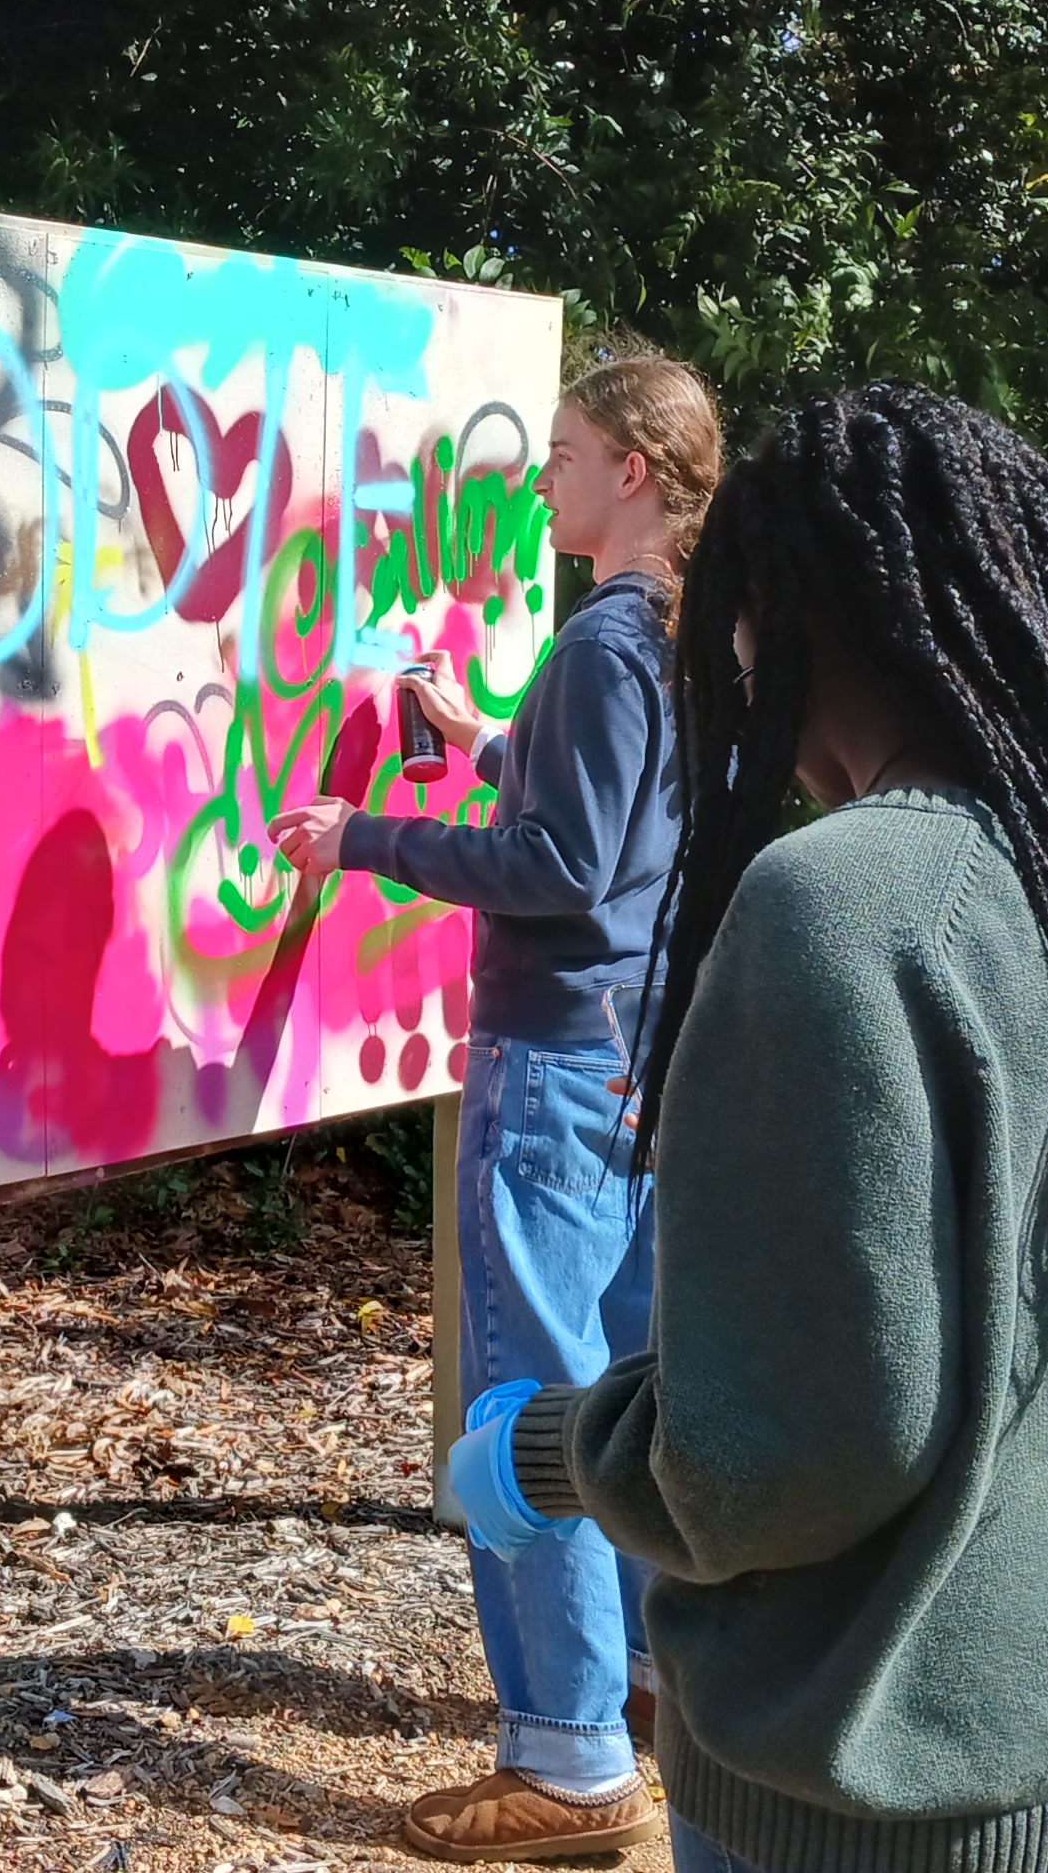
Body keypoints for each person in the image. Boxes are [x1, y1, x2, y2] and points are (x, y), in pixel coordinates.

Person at [437, 383, 1048, 1873]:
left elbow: (784, 1458)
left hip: (889, 1789)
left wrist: (545, 1452)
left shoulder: (844, 902)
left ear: (774, 627)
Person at [272, 353, 720, 1861]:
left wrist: (364, 836)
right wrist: (489, 744)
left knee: (531, 1403)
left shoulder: (602, 639)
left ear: (634, 473)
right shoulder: (692, 633)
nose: (542, 476)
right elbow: (627, 825)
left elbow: (562, 869)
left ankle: (569, 1764)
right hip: (647, 1053)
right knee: (632, 1380)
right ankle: (648, 1683)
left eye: (567, 453)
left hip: (557, 1063)